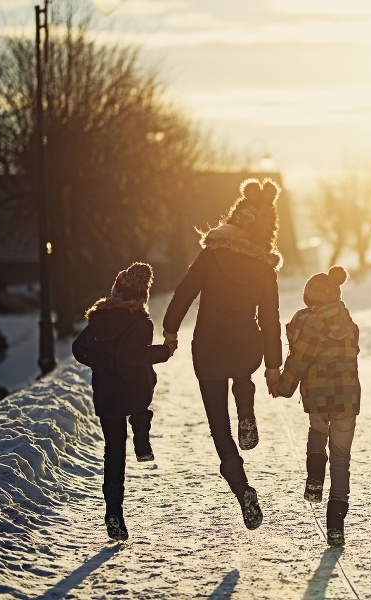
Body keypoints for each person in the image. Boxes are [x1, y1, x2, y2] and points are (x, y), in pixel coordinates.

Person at [162, 178, 283, 530]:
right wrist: (273, 368)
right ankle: (246, 407)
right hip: (247, 345)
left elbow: (184, 292)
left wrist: (170, 332)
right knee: (243, 375)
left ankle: (242, 488)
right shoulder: (264, 269)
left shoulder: (212, 255)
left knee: (219, 426)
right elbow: (272, 322)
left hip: (210, 346)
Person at [72, 261, 177, 541]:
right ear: (141, 297)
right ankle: (141, 433)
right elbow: (133, 357)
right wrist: (164, 352)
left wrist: (102, 364)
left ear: (115, 291)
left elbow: (78, 350)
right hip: (133, 392)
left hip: (106, 396)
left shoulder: (97, 320)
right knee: (143, 390)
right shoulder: (140, 322)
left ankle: (113, 513)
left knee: (113, 454)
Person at [273, 265, 360, 547]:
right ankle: (336, 524)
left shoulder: (310, 323)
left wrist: (283, 388)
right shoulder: (348, 323)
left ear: (310, 298)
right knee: (341, 458)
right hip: (346, 398)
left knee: (317, 432)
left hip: (320, 397)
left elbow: (299, 360)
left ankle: (314, 478)